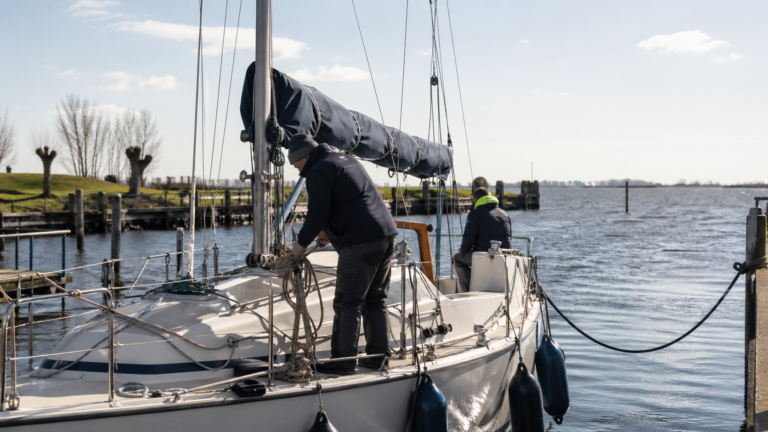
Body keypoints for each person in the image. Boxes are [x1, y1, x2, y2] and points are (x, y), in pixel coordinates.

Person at [288, 133, 398, 375]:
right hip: (386, 234)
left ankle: (343, 361)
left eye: (297, 166)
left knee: (347, 301)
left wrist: (300, 246)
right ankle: (378, 358)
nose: (299, 172)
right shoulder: (344, 160)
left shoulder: (318, 170)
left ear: (305, 157)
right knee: (375, 298)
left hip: (360, 241)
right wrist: (328, 230)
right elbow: (347, 199)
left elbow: (317, 213)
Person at [452, 187, 512, 292]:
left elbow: (468, 239)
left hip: (483, 255)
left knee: (457, 259)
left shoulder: (475, 214)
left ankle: (469, 291)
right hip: (505, 257)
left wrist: (463, 250)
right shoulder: (504, 214)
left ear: (475, 200)